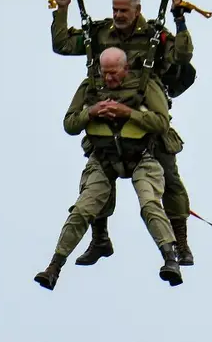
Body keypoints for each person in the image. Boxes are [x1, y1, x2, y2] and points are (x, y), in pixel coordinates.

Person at [49, 0, 196, 266]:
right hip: (105, 119)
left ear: (137, 10)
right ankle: (100, 240)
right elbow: (63, 45)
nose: (117, 15)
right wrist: (62, 10)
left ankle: (181, 243)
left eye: (123, 10)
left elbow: (183, 56)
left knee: (171, 183)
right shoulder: (101, 34)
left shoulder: (155, 36)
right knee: (96, 180)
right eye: (115, 9)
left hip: (146, 119)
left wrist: (180, 20)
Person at [34, 47, 183, 290]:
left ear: (125, 69)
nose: (109, 78)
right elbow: (70, 124)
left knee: (150, 204)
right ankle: (54, 267)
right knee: (82, 209)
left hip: (142, 155)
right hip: (103, 157)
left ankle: (170, 258)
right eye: (105, 73)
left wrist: (129, 113)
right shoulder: (90, 87)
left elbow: (161, 123)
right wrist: (90, 113)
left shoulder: (145, 85)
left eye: (114, 73)